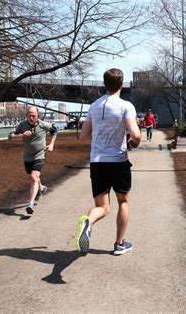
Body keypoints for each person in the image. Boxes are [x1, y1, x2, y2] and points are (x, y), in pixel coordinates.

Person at [76, 68, 141, 256]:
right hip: (118, 161)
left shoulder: (93, 106)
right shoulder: (125, 106)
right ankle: (119, 244)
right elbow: (135, 134)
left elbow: (83, 136)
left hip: (97, 162)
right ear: (122, 84)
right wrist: (134, 141)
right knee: (123, 202)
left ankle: (88, 222)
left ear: (104, 84)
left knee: (102, 207)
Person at [8, 106, 58, 214]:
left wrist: (51, 144)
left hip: (40, 154)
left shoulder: (43, 125)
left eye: (33, 116)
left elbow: (54, 131)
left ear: (37, 116)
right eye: (29, 115)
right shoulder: (22, 125)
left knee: (33, 177)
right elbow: (11, 136)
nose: (31, 118)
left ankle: (30, 204)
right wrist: (22, 135)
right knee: (34, 178)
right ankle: (41, 188)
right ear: (26, 116)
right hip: (27, 156)